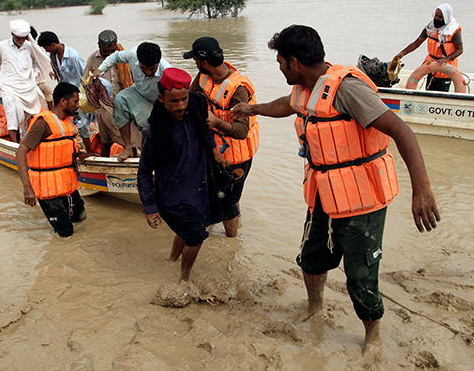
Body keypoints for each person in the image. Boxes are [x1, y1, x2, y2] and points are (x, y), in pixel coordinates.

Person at [232, 25, 441, 353]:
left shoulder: (348, 90)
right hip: (323, 194)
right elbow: (288, 105)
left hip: (363, 199)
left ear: (295, 62)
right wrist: (252, 109)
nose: (280, 67)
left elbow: (402, 132)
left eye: (281, 62)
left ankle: (373, 337)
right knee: (310, 259)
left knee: (360, 275)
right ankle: (315, 309)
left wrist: (422, 190)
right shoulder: (306, 88)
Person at [138, 68, 224, 282]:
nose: (181, 106)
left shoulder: (197, 104)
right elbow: (144, 171)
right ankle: (184, 280)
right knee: (195, 236)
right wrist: (149, 208)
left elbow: (207, 131)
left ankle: (172, 260)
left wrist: (214, 150)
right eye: (174, 101)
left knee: (190, 228)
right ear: (161, 98)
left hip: (199, 187)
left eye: (184, 99)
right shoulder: (154, 130)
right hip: (172, 195)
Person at [185, 36, 260, 238]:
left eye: (196, 60)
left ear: (205, 62)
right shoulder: (202, 78)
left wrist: (216, 122)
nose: (195, 64)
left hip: (237, 156)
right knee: (229, 196)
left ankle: (232, 242)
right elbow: (190, 101)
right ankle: (232, 224)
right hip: (214, 150)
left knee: (227, 200)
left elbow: (242, 131)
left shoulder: (238, 89)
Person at [16, 82, 89, 238]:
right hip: (48, 189)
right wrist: (27, 188)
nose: (78, 105)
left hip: (66, 183)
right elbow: (20, 152)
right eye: (75, 101)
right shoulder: (43, 124)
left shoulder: (68, 120)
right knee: (66, 234)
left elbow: (64, 145)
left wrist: (79, 154)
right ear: (63, 101)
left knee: (81, 217)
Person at [93, 42, 171, 161]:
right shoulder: (132, 54)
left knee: (152, 129)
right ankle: (128, 147)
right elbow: (115, 57)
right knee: (119, 100)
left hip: (159, 100)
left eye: (152, 69)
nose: (148, 73)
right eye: (144, 68)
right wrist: (100, 70)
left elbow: (176, 96)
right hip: (138, 91)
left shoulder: (167, 70)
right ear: (138, 61)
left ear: (158, 63)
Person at [0, 19, 52, 142]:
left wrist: (34, 74)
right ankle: (13, 142)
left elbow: (37, 63)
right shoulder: (2, 46)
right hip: (9, 86)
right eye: (19, 38)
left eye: (24, 38)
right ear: (12, 35)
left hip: (27, 86)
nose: (22, 41)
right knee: (12, 113)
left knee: (29, 115)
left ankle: (25, 139)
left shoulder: (29, 46)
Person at [84, 29, 140, 157]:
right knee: (105, 140)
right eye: (106, 51)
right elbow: (85, 81)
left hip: (126, 105)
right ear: (100, 47)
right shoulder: (93, 59)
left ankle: (135, 160)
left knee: (131, 139)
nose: (109, 54)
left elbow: (136, 80)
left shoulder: (126, 56)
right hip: (104, 106)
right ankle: (104, 163)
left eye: (112, 51)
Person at [37, 31, 94, 154]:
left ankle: (88, 151)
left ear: (52, 45)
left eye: (46, 48)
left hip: (77, 95)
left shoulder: (73, 56)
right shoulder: (54, 57)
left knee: (82, 123)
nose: (46, 51)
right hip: (65, 93)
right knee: (67, 120)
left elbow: (86, 74)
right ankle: (70, 147)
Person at [394, 3, 463, 92]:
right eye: (436, 16)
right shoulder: (430, 28)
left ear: (446, 17)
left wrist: (446, 59)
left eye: (440, 17)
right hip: (431, 65)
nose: (437, 18)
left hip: (446, 66)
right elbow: (416, 43)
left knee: (441, 91)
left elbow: (460, 50)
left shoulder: (453, 30)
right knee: (429, 89)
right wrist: (402, 54)